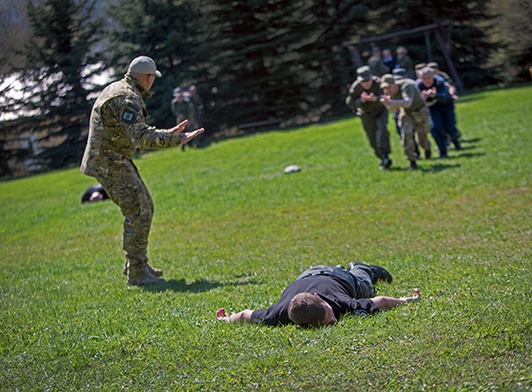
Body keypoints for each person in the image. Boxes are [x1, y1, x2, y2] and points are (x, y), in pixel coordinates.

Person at [80, 55, 205, 285]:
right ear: (148, 78)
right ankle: (137, 272)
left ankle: (137, 264)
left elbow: (136, 130)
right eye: (153, 79)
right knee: (138, 210)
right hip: (109, 161)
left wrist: (167, 133)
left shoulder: (119, 88)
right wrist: (178, 139)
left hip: (112, 158)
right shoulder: (128, 98)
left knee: (144, 205)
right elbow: (141, 137)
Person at [216, 262, 420, 327]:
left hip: (339, 278)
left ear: (321, 299)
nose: (334, 319)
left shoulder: (338, 301)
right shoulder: (278, 314)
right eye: (329, 322)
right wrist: (228, 320)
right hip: (308, 274)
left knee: (363, 286)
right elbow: (244, 315)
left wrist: (405, 300)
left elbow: (380, 300)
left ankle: (359, 267)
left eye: (330, 314)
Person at [379, 74, 432, 171]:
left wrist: (391, 102)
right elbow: (393, 110)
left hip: (420, 110)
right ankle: (412, 161)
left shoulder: (408, 85)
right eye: (385, 88)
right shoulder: (388, 93)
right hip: (406, 113)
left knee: (422, 136)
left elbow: (408, 102)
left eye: (389, 87)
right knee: (406, 135)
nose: (387, 90)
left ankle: (427, 148)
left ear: (394, 84)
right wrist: (387, 104)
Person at [345, 66, 392, 170]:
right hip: (366, 114)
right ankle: (381, 158)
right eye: (363, 81)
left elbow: (387, 97)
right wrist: (361, 100)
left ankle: (385, 155)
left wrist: (376, 99)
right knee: (372, 137)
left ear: (371, 77)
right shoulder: (356, 87)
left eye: (368, 80)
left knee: (382, 130)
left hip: (380, 111)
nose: (366, 83)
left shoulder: (379, 83)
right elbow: (350, 103)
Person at [417, 67, 461, 158]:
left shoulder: (440, 82)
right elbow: (416, 102)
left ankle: (455, 141)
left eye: (429, 78)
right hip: (433, 109)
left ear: (433, 76)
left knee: (450, 127)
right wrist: (422, 98)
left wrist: (436, 95)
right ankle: (443, 151)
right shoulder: (418, 86)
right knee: (434, 128)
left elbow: (446, 97)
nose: (427, 81)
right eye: (424, 79)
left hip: (446, 107)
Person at [171, 87, 197, 151]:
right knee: (180, 132)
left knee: (190, 130)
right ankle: (182, 147)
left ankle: (191, 144)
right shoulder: (174, 102)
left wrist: (190, 121)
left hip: (188, 117)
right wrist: (179, 115)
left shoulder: (186, 102)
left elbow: (191, 111)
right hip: (180, 119)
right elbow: (174, 111)